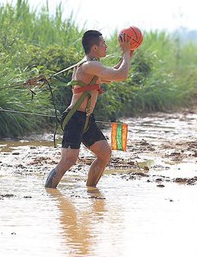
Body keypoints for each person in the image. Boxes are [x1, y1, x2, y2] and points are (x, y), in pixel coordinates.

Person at [45, 30, 133, 189]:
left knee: (104, 154)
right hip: (74, 118)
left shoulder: (94, 65)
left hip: (86, 119)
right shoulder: (89, 65)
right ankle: (48, 192)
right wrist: (126, 52)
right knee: (68, 161)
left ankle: (91, 190)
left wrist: (127, 56)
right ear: (95, 48)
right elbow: (121, 75)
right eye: (103, 44)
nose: (106, 46)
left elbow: (111, 75)